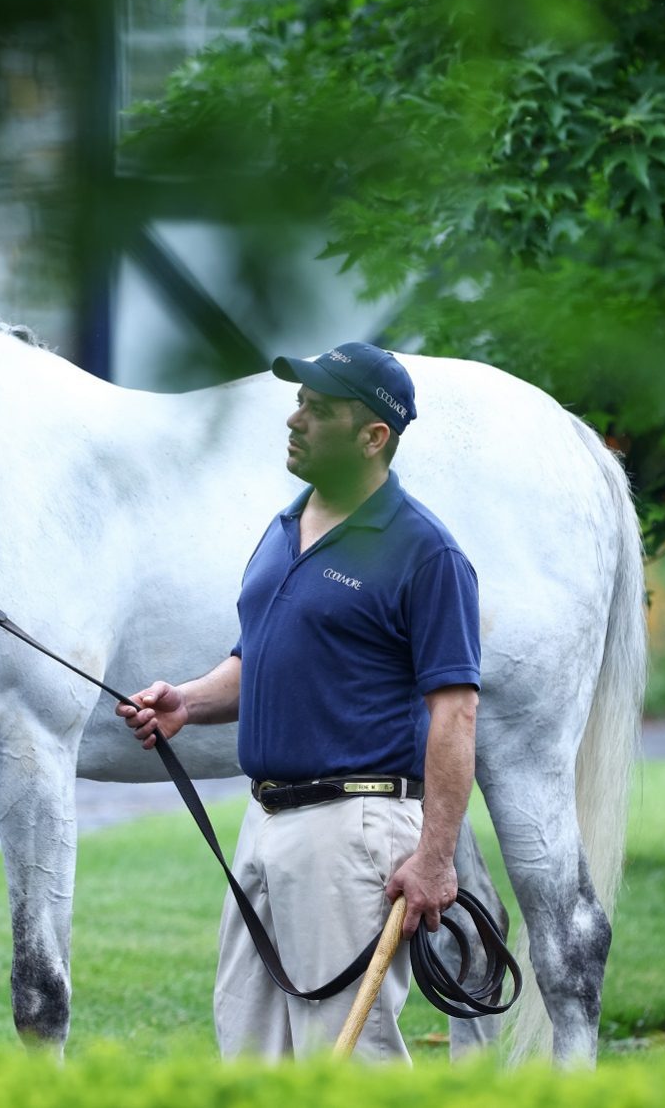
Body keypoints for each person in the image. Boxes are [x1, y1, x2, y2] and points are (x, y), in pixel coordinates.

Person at [117, 341, 481, 1063]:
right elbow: (261, 657)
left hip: (354, 826)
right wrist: (185, 702)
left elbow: (456, 713)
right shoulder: (286, 526)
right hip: (266, 819)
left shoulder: (424, 552)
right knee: (249, 1053)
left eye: (318, 409)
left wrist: (436, 858)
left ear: (374, 436)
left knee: (346, 1059)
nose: (295, 418)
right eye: (299, 403)